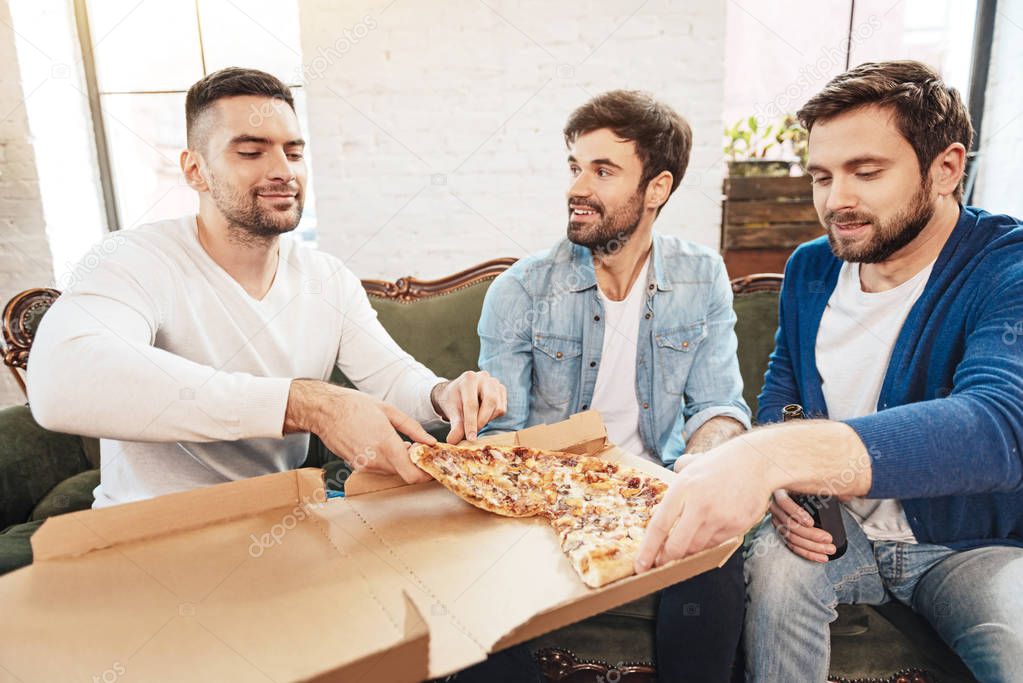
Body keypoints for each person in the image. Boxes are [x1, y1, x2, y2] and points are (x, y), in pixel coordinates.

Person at [27, 67, 537, 681]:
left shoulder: (325, 278)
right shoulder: (132, 261)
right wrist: (305, 403)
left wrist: (443, 391)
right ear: (194, 169)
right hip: (154, 543)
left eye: (293, 150)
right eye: (251, 150)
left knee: (479, 632)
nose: (283, 169)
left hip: (283, 529)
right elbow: (61, 383)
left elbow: (389, 373)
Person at [635, 61, 1023, 682]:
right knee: (778, 569)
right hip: (836, 536)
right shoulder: (811, 268)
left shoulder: (1008, 268)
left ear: (946, 167)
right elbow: (783, 394)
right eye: (822, 176)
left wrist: (769, 459)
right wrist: (790, 485)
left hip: (972, 547)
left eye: (866, 172)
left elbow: (997, 428)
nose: (836, 199)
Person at [478, 90, 750, 682]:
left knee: (717, 569)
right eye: (575, 167)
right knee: (481, 608)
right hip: (550, 501)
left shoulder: (702, 277)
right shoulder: (520, 292)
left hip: (659, 495)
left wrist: (701, 468)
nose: (579, 187)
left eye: (603, 171)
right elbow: (504, 438)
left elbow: (718, 406)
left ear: (656, 189)